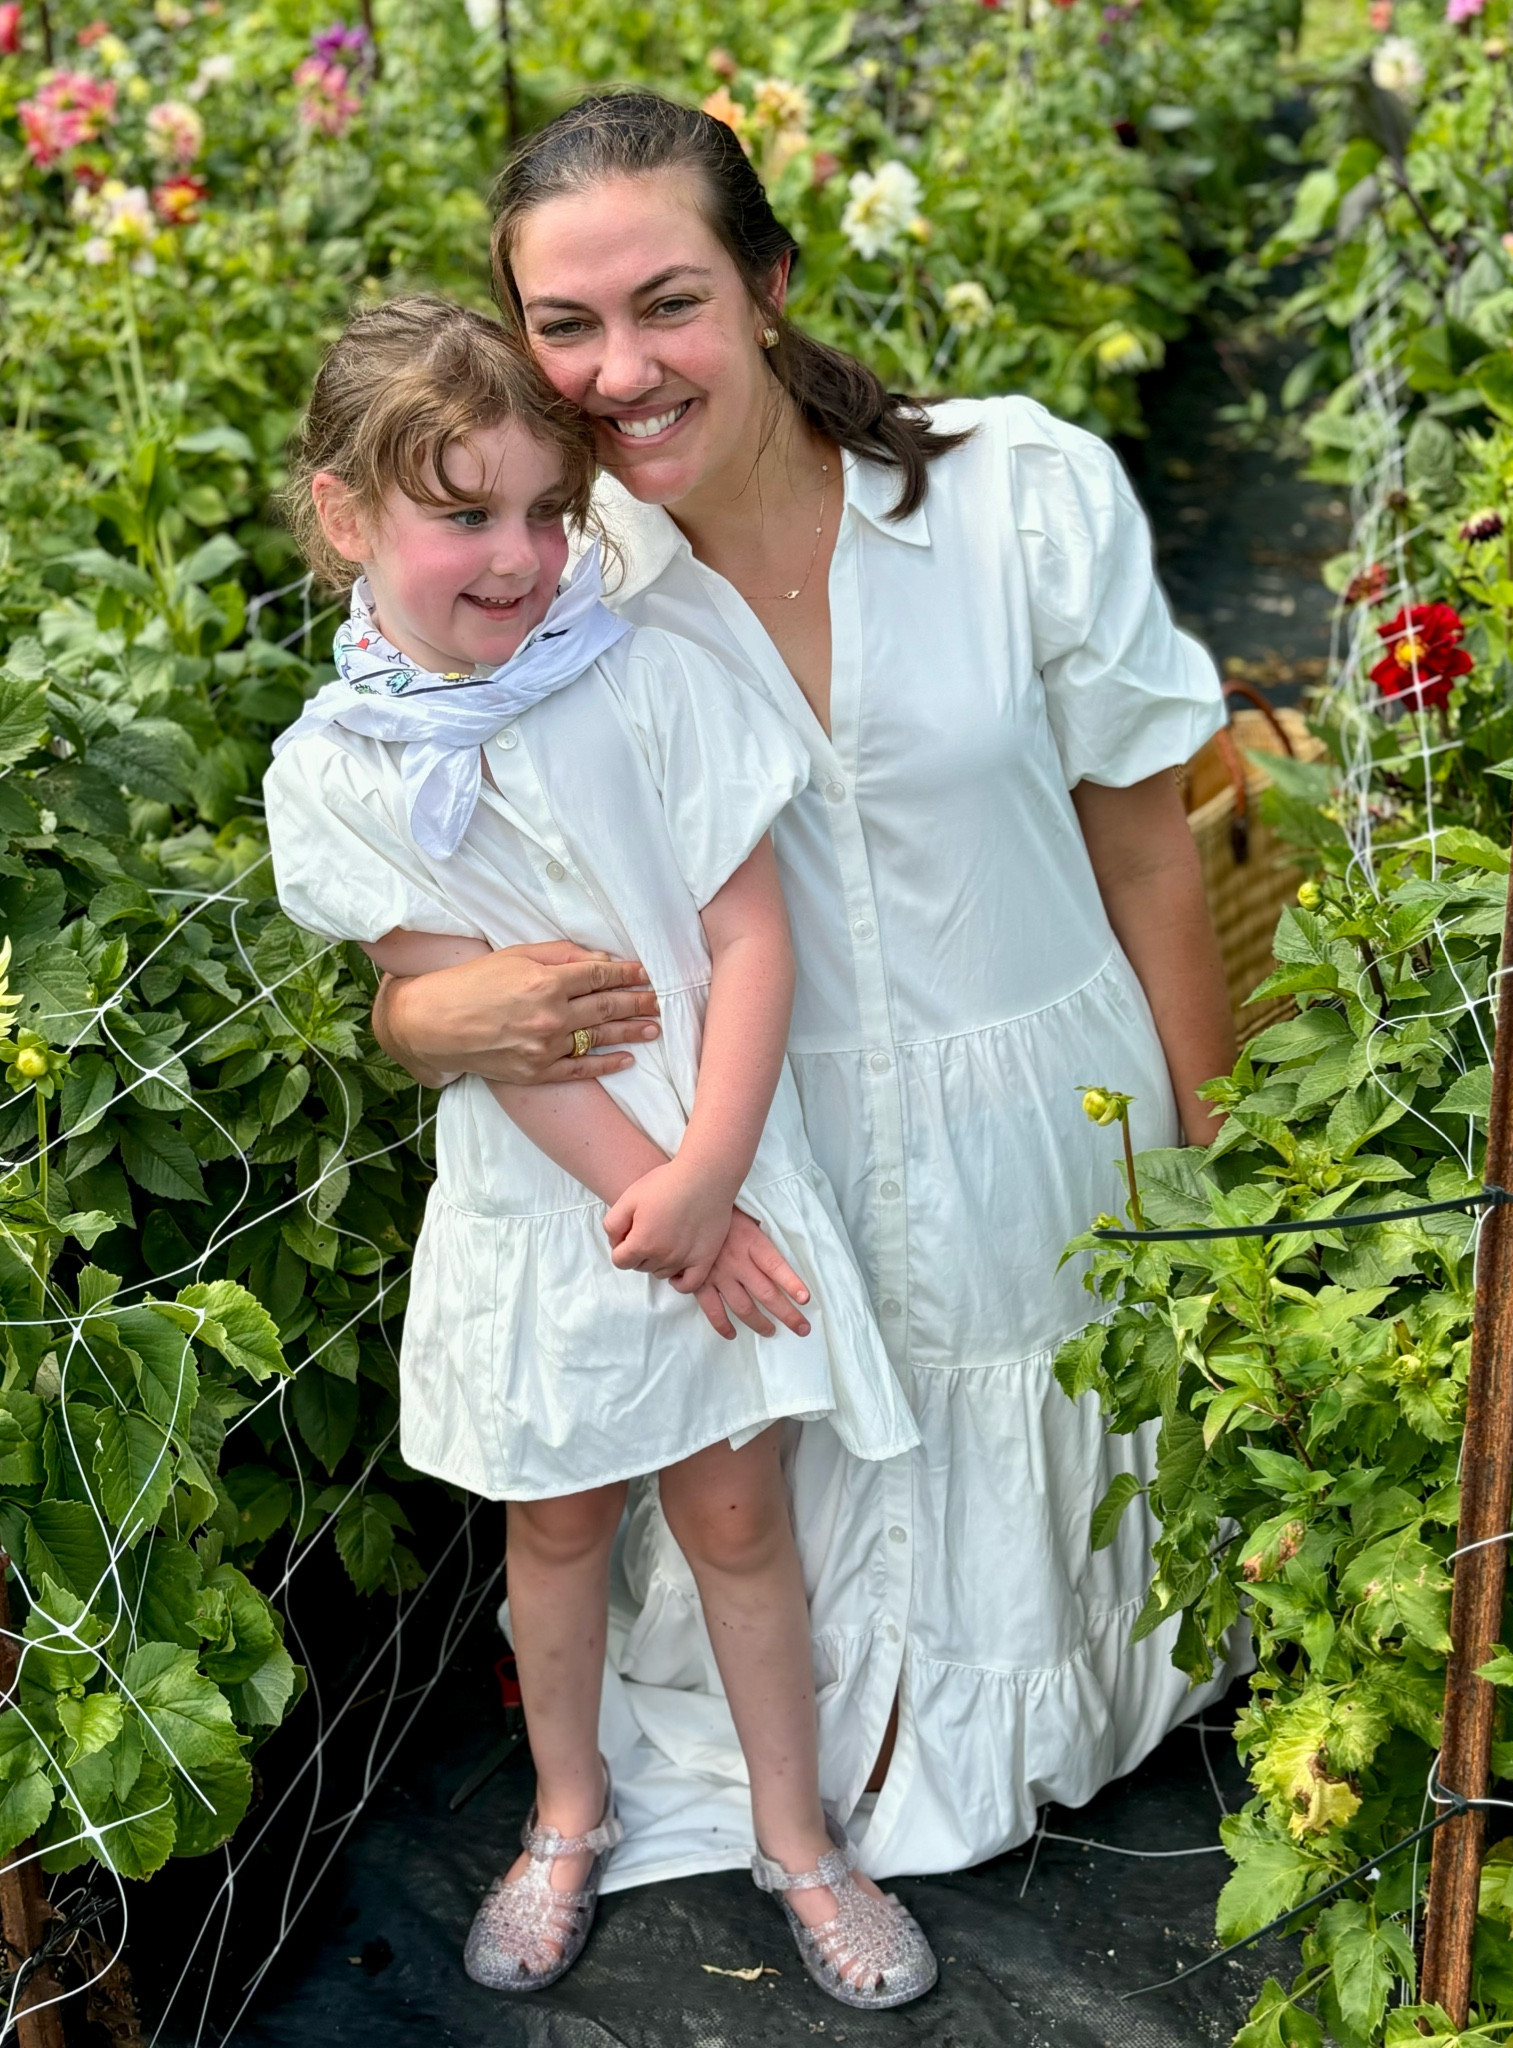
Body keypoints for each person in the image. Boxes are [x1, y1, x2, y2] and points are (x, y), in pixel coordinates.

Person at [372, 93, 1243, 1889]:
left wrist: (1222, 1149)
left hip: (1050, 1138)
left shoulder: (1013, 494)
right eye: (567, 326)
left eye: (671, 302)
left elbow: (1152, 847)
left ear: (770, 284)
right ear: (517, 342)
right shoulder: (539, 578)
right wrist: (415, 1023)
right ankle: (785, 1802)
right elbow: (415, 907)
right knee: (775, 1525)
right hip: (759, 1166)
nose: (624, 369)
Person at [261, 295, 938, 2010]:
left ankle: (799, 1835)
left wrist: (712, 1176)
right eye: (464, 513)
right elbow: (484, 1028)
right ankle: (571, 1813)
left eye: (548, 513)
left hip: (716, 1163)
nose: (521, 556)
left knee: (736, 1517)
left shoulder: (642, 679)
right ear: (345, 513)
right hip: (547, 1208)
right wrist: (668, 1209)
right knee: (555, 1530)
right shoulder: (338, 772)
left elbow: (754, 933)